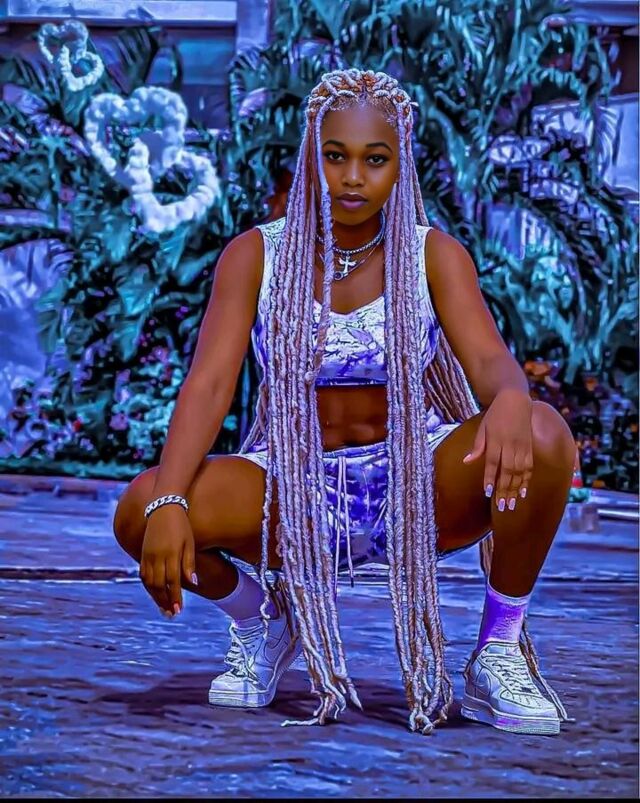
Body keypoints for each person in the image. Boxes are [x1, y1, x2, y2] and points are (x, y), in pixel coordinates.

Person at [113, 68, 577, 736]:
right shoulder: (255, 255)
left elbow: (487, 360)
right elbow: (208, 385)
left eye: (374, 159)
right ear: (312, 155)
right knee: (141, 508)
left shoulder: (433, 255)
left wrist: (509, 396)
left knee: (542, 431)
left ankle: (498, 651)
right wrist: (169, 504)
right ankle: (263, 620)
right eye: (335, 156)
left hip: (417, 483)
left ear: (399, 165)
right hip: (293, 488)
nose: (353, 177)